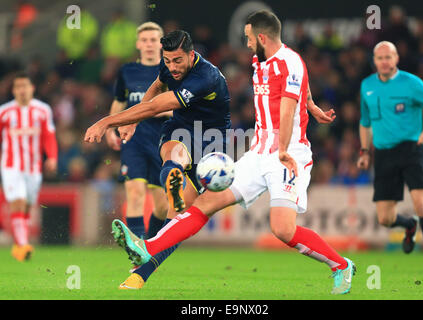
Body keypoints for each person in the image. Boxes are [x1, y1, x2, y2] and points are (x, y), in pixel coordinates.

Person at [104, 11, 356, 295]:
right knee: (204, 204)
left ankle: (341, 265)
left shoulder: (289, 62)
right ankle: (146, 247)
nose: (246, 44)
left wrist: (283, 149)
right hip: (258, 153)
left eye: (248, 38)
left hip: (288, 155)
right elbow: (302, 87)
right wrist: (313, 107)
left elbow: (286, 110)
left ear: (261, 37)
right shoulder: (262, 60)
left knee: (283, 230)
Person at [85, 29, 232, 289]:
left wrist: (106, 122)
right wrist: (134, 122)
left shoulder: (205, 77)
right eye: (167, 61)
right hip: (181, 129)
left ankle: (141, 271)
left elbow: (155, 107)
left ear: (192, 54)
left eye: (178, 61)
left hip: (211, 141)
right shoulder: (170, 67)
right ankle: (173, 175)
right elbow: (157, 86)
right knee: (173, 155)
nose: (172, 67)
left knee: (177, 220)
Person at [357, 41, 423, 272]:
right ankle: (409, 226)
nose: (384, 61)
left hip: (411, 149)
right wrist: (365, 152)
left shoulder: (412, 83)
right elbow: (365, 123)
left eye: (389, 57)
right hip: (384, 154)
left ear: (396, 58)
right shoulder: (367, 86)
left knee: (421, 201)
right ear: (374, 61)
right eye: (380, 58)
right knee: (385, 219)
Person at [105, 22, 170, 263]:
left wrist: (158, 110)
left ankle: (147, 244)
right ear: (138, 44)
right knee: (134, 193)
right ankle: (137, 250)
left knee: (162, 206)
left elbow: (183, 106)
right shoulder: (127, 71)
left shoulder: (170, 71)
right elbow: (119, 102)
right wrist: (112, 126)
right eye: (145, 40)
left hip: (161, 142)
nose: (149, 44)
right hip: (132, 140)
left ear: (161, 44)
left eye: (154, 40)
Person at [0, 72, 58, 261]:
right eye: (18, 87)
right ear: (14, 90)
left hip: (33, 166)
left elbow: (49, 135)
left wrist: (52, 157)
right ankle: (24, 244)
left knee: (27, 204)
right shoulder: (5, 112)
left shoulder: (43, 110)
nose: (22, 90)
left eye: (25, 86)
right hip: (11, 165)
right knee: (17, 199)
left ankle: (18, 244)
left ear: (32, 88)